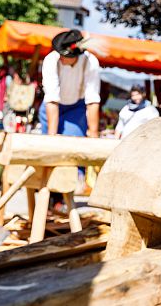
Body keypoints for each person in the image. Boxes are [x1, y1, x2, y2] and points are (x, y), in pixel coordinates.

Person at [40, 29, 101, 197]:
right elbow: (52, 99)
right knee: (50, 151)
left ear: (75, 55)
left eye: (63, 54)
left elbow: (92, 99)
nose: (60, 56)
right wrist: (52, 137)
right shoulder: (51, 61)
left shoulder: (91, 62)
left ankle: (69, 191)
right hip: (51, 107)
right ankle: (50, 194)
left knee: (73, 147)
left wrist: (93, 136)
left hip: (76, 107)